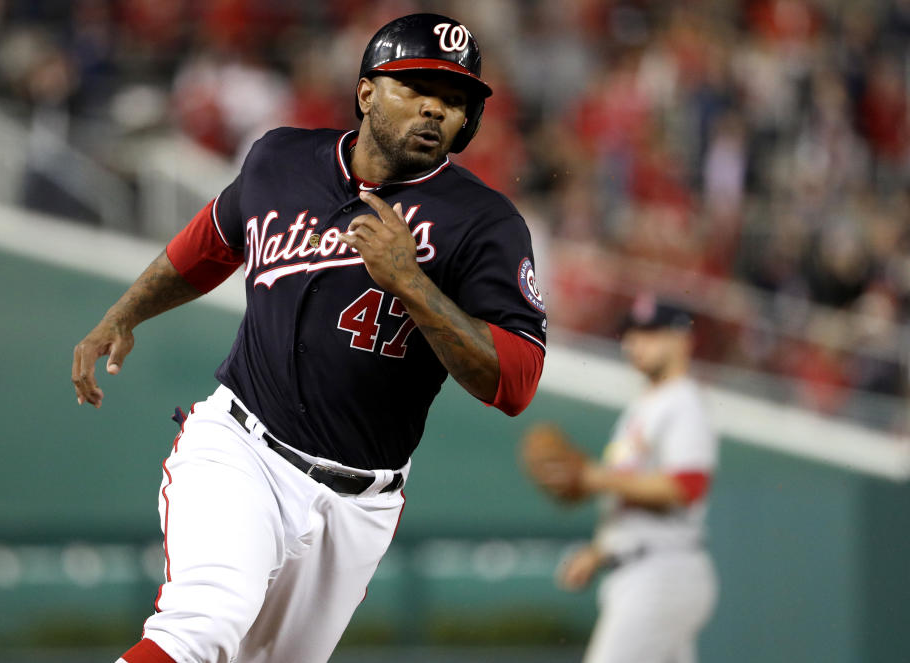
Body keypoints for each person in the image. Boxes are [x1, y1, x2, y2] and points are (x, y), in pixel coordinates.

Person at [71, 13, 547, 663]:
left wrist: (412, 283)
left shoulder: (485, 224)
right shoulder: (281, 159)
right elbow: (214, 239)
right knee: (201, 625)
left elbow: (516, 383)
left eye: (456, 98)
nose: (437, 106)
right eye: (417, 86)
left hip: (362, 501)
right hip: (243, 447)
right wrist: (123, 313)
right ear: (367, 91)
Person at [520, 295, 717, 663]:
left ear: (681, 339)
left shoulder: (683, 402)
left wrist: (594, 476)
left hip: (661, 572)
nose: (635, 343)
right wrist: (599, 552)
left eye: (650, 332)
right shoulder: (643, 406)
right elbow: (629, 494)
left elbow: (687, 487)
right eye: (631, 333)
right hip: (639, 567)